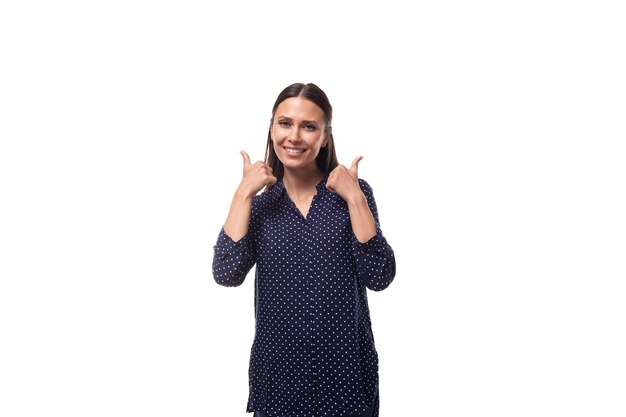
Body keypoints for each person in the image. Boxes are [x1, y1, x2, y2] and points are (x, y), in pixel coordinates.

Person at [212, 82, 396, 417]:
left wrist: (354, 198)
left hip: (345, 381)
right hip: (279, 383)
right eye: (285, 123)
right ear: (271, 129)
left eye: (308, 126)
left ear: (325, 136)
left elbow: (380, 276)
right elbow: (226, 274)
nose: (294, 136)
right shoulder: (258, 206)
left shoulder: (354, 195)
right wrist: (242, 195)